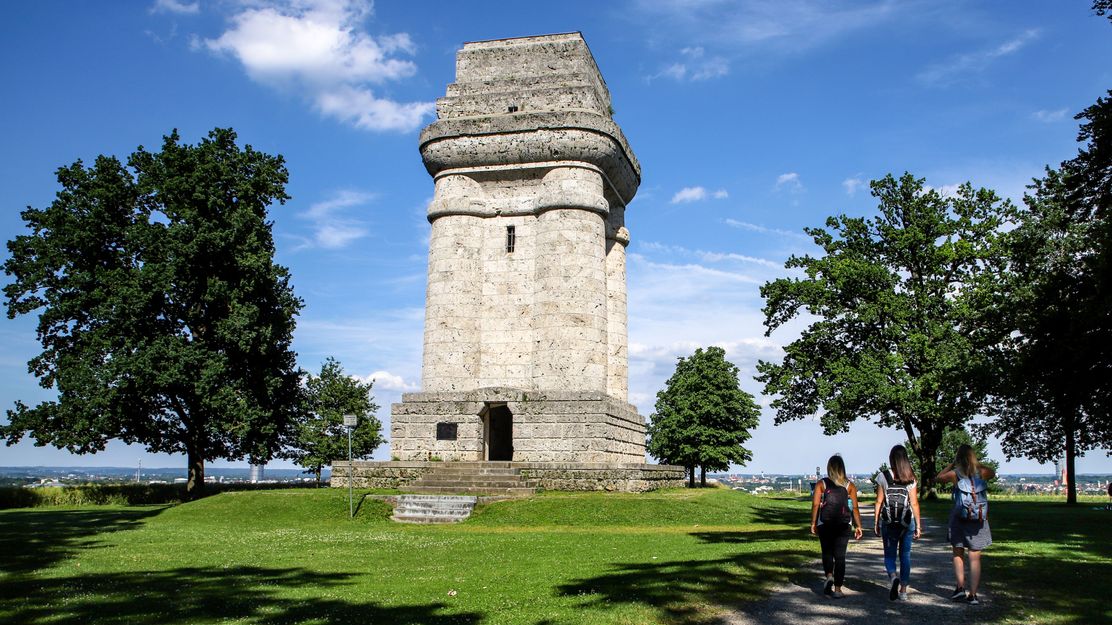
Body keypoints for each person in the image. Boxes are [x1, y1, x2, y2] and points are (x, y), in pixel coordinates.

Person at [935, 444, 996, 605]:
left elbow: (938, 478)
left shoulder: (955, 474)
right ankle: (973, 595)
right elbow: (993, 472)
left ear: (958, 458)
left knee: (958, 553)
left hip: (959, 518)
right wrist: (977, 464)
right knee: (975, 558)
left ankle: (960, 588)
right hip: (979, 519)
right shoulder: (982, 473)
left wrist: (951, 465)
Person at [810, 454, 864, 599]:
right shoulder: (849, 485)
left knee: (827, 552)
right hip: (844, 525)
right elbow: (855, 508)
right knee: (840, 556)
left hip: (824, 523)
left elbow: (815, 505)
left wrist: (813, 523)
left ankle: (829, 576)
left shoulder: (822, 484)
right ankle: (838, 589)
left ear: (829, 468)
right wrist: (858, 526)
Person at [874, 445, 922, 601]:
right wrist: (918, 526)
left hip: (889, 522)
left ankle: (893, 577)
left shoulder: (883, 476)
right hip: (907, 522)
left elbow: (879, 502)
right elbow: (914, 503)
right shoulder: (911, 477)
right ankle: (903, 590)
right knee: (905, 556)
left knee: (889, 555)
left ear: (891, 458)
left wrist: (876, 522)